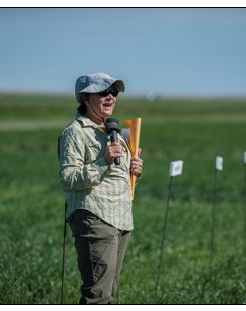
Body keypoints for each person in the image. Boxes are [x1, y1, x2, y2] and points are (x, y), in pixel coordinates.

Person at [59, 72, 144, 304]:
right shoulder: (75, 133)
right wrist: (102, 161)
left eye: (113, 92)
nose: (110, 97)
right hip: (95, 218)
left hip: (121, 219)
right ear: (85, 98)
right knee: (97, 295)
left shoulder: (114, 131)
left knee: (108, 292)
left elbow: (116, 174)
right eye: (103, 92)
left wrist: (133, 170)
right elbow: (68, 179)